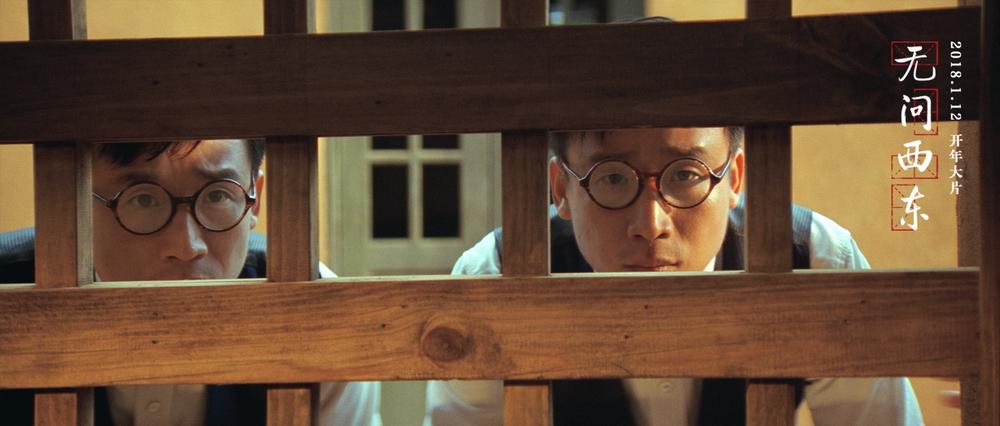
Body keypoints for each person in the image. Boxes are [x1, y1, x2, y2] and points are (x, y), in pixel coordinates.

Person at [424, 127, 924, 425]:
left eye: (685, 174)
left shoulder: (810, 259)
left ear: (735, 178)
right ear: (560, 189)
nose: (650, 224)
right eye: (612, 178)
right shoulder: (498, 277)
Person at [0, 139, 381, 425]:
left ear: (256, 198)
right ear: (76, 200)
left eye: (217, 195)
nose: (186, 247)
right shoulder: (11, 293)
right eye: (142, 200)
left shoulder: (315, 308)